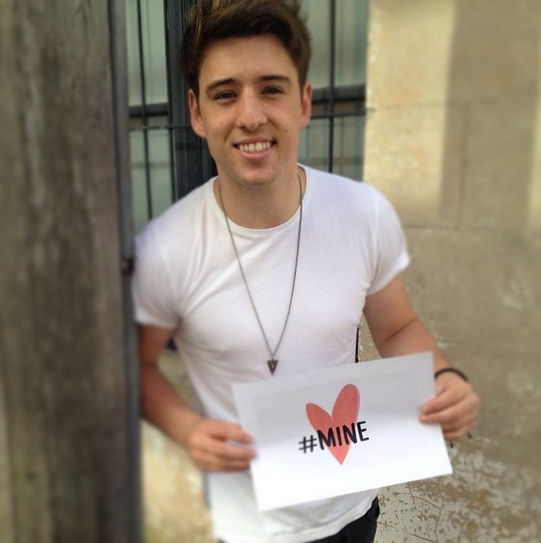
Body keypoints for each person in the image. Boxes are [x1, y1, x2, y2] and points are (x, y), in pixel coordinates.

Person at [132, 1, 480, 542]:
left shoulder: (362, 214)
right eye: (226, 94)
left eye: (271, 89)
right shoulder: (166, 246)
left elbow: (397, 328)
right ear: (197, 112)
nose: (250, 116)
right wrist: (186, 428)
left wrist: (443, 379)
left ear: (303, 102)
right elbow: (139, 364)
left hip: (351, 511)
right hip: (243, 526)